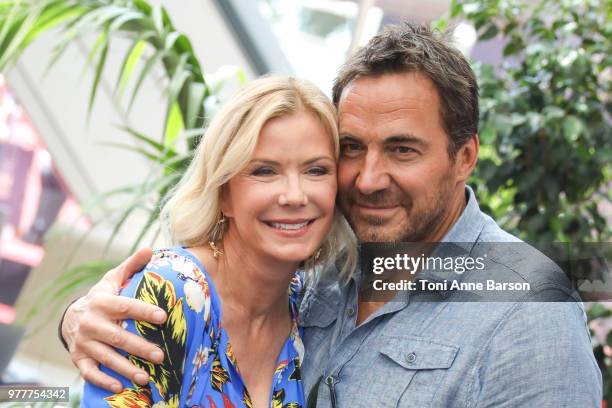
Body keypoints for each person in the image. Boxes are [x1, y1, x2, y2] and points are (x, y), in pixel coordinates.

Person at [62, 23, 602, 407]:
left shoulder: (531, 310)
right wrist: (78, 319)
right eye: (350, 148)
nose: (368, 179)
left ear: (465, 157)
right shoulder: (319, 270)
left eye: (402, 150)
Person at [78, 75, 357, 407]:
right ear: (223, 193)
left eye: (316, 171)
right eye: (265, 171)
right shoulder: (168, 295)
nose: (295, 196)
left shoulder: (310, 312)